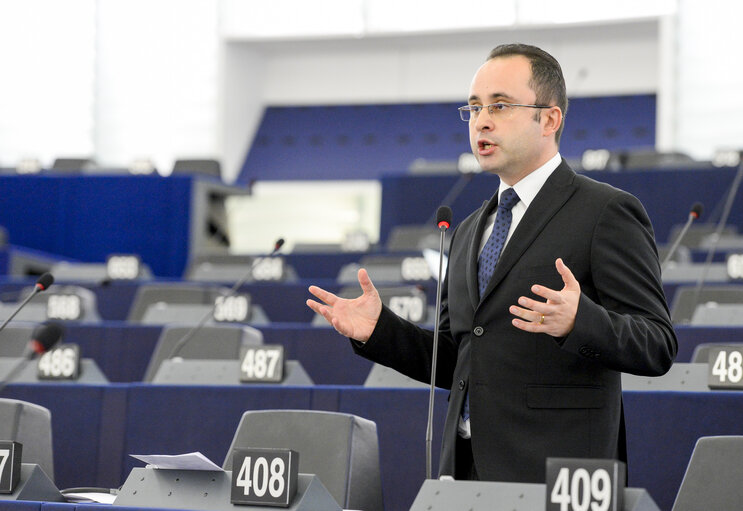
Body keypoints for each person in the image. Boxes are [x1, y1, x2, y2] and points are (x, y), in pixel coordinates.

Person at [306, 43, 677, 483]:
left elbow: (657, 344)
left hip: (556, 475)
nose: (481, 120)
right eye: (475, 107)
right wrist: (379, 332)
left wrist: (581, 321)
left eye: (500, 106)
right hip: (464, 472)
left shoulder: (605, 211)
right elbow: (458, 360)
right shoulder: (466, 232)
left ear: (550, 118)